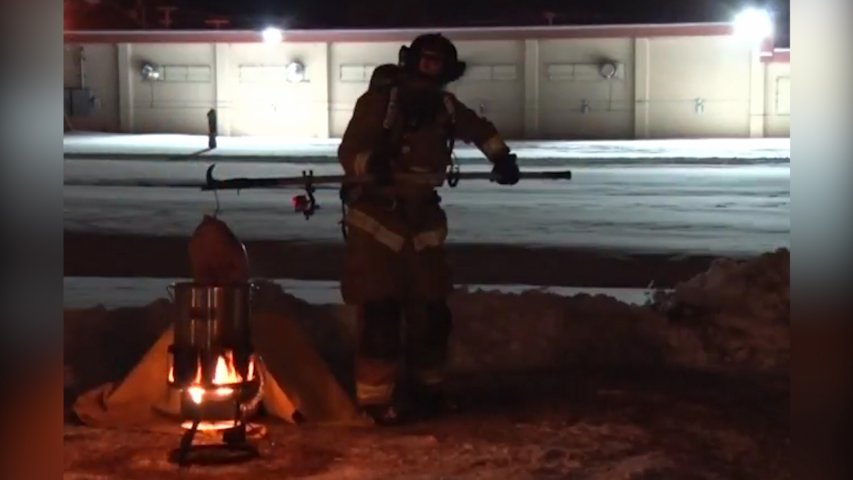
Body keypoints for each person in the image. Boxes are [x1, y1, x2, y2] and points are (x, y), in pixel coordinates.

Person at [337, 33, 520, 425]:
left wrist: (502, 157)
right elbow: (349, 151)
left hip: (423, 221)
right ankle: (373, 401)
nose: (429, 75)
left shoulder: (446, 107)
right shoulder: (380, 103)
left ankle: (428, 392)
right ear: (411, 63)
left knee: (431, 314)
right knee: (381, 315)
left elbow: (480, 129)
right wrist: (372, 165)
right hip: (377, 222)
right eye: (426, 63)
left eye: (438, 67)